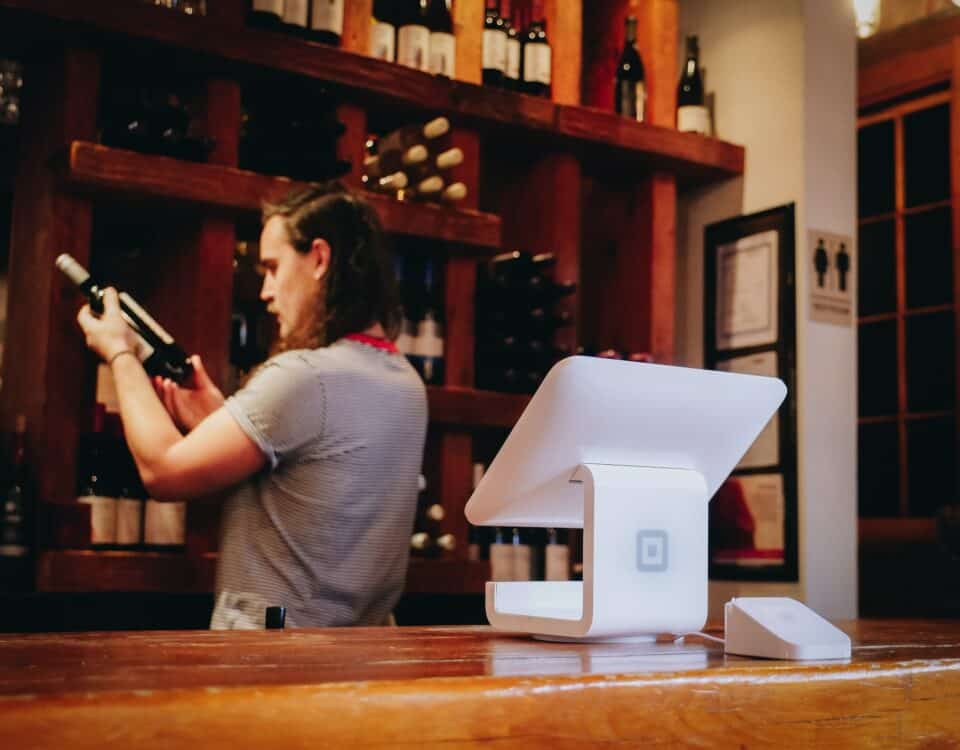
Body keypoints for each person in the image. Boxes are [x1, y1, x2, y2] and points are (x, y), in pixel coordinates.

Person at [76, 183, 428, 629]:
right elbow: (313, 488)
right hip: (358, 670)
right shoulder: (406, 383)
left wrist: (120, 353)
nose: (264, 291)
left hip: (271, 665)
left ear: (319, 259)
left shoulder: (306, 376)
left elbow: (162, 471)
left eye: (273, 268)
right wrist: (225, 419)